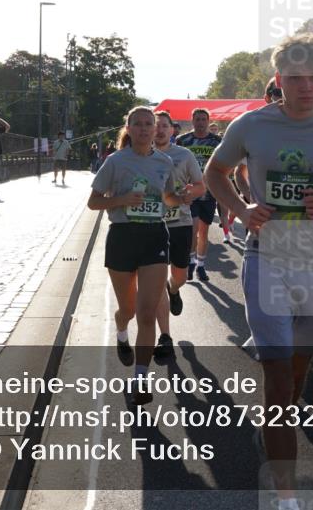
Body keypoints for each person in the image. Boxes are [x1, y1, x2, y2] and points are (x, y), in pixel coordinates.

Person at [204, 34, 313, 510]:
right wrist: (242, 208)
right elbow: (215, 172)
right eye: (296, 78)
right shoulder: (251, 125)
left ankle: (274, 431)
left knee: (296, 378)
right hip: (267, 262)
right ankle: (286, 497)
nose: (307, 87)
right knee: (277, 382)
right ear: (279, 80)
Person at [87, 107, 181, 405]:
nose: (143, 129)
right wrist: (122, 199)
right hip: (122, 237)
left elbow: (168, 197)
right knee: (127, 310)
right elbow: (93, 202)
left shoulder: (165, 162)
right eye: (137, 124)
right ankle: (121, 330)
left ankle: (140, 379)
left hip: (154, 236)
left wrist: (183, 196)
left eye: (148, 124)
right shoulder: (115, 161)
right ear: (128, 128)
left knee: (147, 313)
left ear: (156, 129)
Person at [152, 111, 205, 358]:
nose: (160, 130)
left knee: (180, 276)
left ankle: (173, 290)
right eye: (156, 126)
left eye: (164, 126)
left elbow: (201, 185)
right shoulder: (141, 155)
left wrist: (188, 194)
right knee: (156, 282)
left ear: (172, 130)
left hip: (180, 223)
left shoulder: (184, 155)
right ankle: (165, 336)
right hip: (151, 226)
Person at [176, 108, 222, 282]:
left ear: (208, 121)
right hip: (189, 192)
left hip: (209, 193)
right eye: (198, 119)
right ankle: (191, 262)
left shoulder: (217, 141)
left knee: (203, 231)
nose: (201, 123)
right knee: (193, 229)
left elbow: (223, 165)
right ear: (192, 121)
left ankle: (200, 265)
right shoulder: (183, 140)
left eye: (204, 119)